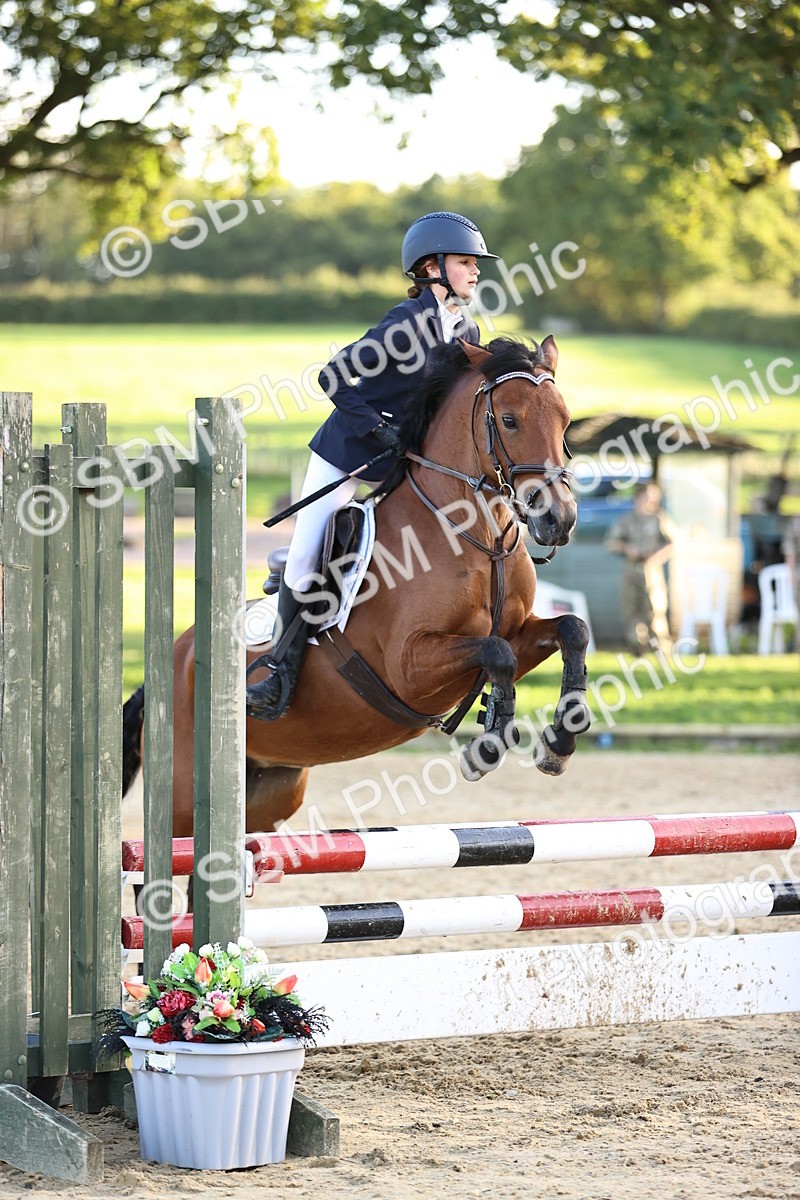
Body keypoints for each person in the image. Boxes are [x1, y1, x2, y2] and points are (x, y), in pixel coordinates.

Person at [246, 211, 498, 720]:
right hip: (350, 454)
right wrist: (376, 427)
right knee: (304, 559)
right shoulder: (404, 325)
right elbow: (333, 377)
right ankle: (279, 668)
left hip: (406, 464)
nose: (476, 273)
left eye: (476, 265)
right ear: (432, 266)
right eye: (467, 263)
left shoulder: (467, 328)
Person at [605, 482, 676, 654]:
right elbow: (610, 542)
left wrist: (655, 556)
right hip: (631, 569)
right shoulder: (626, 520)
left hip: (651, 570)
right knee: (632, 610)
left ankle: (660, 648)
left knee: (655, 609)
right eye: (648, 496)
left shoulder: (659, 518)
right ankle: (637, 648)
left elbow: (672, 543)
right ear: (638, 497)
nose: (652, 501)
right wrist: (626, 548)